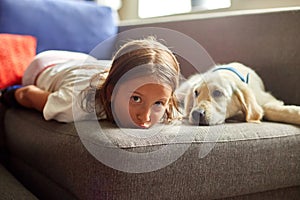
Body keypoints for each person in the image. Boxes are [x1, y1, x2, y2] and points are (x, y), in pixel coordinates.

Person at [0, 37, 181, 128]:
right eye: (136, 99)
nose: (146, 118)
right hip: (47, 64)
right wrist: (10, 95)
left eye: (158, 103)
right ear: (111, 93)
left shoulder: (165, 106)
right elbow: (27, 94)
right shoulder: (78, 104)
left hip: (90, 63)